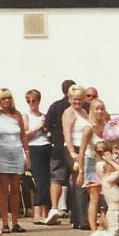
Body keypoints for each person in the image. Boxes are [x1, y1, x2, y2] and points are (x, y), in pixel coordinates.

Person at [0, 88, 26, 233]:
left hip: (16, 152)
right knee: (4, 190)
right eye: (3, 98)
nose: (6, 101)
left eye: (8, 98)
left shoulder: (17, 115)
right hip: (1, 153)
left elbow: (23, 136)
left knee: (16, 189)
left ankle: (15, 222)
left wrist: (27, 154)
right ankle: (5, 222)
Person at [42, 79, 76, 225]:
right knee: (76, 179)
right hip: (75, 147)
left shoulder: (55, 106)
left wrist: (53, 135)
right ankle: (77, 209)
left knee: (56, 178)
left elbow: (46, 125)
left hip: (58, 147)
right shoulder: (82, 106)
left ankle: (55, 207)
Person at [76, 98, 110, 235]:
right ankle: (94, 230)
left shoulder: (107, 126)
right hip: (91, 163)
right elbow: (82, 151)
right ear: (91, 110)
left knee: (106, 197)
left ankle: (104, 227)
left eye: (102, 108)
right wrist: (81, 172)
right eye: (97, 109)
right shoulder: (88, 128)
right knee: (94, 198)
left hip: (105, 164)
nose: (100, 111)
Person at [58, 83, 89, 229]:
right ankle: (83, 220)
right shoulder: (68, 113)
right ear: (70, 99)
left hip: (84, 149)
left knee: (81, 184)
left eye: (80, 99)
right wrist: (72, 153)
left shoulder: (84, 112)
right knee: (79, 182)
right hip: (73, 149)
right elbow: (67, 134)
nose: (77, 102)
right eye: (74, 99)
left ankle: (77, 218)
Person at [23, 88, 51, 223]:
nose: (31, 103)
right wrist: (38, 127)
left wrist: (46, 129)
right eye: (29, 101)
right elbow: (26, 135)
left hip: (46, 147)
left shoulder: (44, 116)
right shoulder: (26, 116)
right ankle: (37, 212)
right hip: (34, 148)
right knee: (39, 181)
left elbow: (48, 133)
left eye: (34, 100)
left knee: (47, 180)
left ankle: (45, 213)